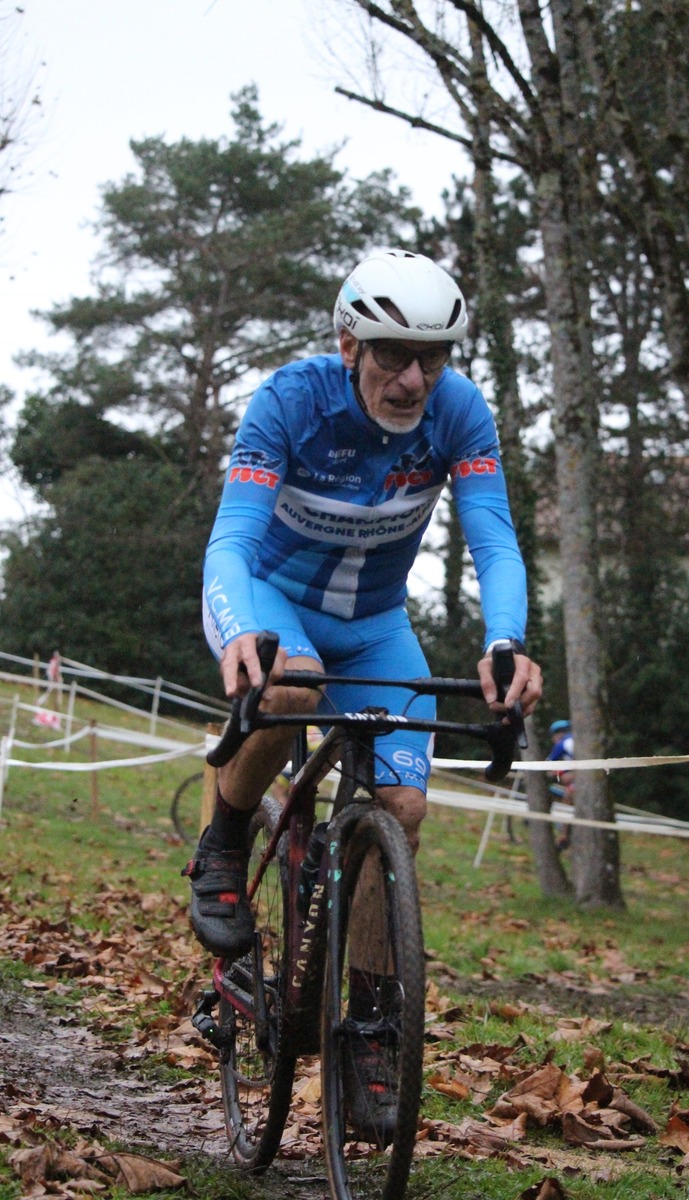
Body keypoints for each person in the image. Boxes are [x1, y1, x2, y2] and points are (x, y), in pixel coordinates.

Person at [184, 248, 543, 1139]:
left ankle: (374, 1024)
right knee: (294, 688)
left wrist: (505, 642)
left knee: (403, 807)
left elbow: (494, 540)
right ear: (348, 344)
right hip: (273, 603)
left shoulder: (459, 412)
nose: (413, 378)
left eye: (433, 357)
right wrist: (241, 630)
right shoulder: (290, 402)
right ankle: (224, 835)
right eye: (393, 354)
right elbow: (232, 538)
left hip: (376, 625)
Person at [546, 718, 575, 851]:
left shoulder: (563, 743)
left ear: (558, 734)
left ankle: (563, 835)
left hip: (579, 780)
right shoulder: (575, 740)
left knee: (567, 799)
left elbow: (547, 766)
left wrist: (557, 773)